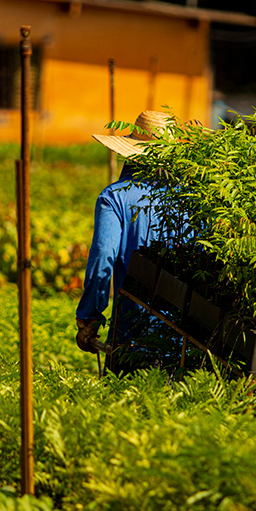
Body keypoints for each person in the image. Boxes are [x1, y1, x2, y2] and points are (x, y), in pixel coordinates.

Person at [75, 110, 175, 372]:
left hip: (131, 332)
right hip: (186, 337)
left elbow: (103, 255)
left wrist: (90, 316)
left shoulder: (115, 197)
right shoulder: (193, 198)